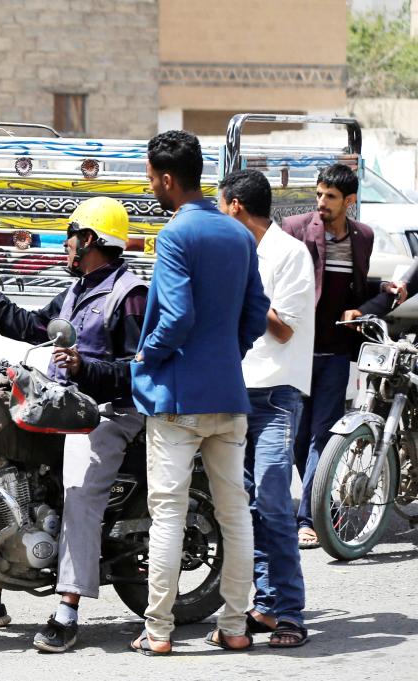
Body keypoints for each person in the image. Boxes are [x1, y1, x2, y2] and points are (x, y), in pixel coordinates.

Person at [0, 196, 148, 654]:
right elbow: (32, 326)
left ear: (88, 239)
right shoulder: (75, 291)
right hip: (62, 407)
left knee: (79, 489)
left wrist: (84, 366)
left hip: (108, 414)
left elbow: (136, 370)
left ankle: (67, 611)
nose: (65, 248)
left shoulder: (128, 295)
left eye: (70, 238)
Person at [130, 130, 269, 656]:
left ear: (168, 180)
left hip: (178, 398)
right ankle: (235, 625)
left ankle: (160, 631)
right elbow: (256, 312)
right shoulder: (237, 234)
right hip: (229, 396)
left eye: (150, 179)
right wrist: (227, 352)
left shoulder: (175, 236)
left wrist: (150, 354)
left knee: (168, 515)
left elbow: (177, 315)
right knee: (234, 513)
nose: (149, 188)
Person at [218, 169, 314, 648]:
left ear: (235, 205)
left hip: (276, 396)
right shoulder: (239, 251)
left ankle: (291, 611)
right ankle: (265, 605)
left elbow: (284, 329)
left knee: (274, 502)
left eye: (220, 205)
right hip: (235, 394)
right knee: (246, 507)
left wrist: (241, 295)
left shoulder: (290, 253)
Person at [281, 164, 374, 550]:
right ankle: (320, 507)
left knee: (324, 433)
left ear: (349, 201)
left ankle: (308, 518)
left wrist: (365, 308)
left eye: (330, 197)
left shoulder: (363, 237)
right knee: (300, 438)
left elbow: (357, 290)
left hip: (336, 352)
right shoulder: (295, 228)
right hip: (297, 351)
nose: (321, 202)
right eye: (319, 194)